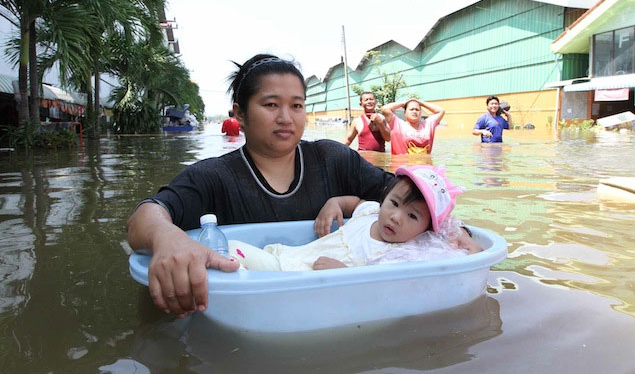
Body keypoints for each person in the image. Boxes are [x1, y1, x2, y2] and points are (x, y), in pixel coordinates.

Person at [126, 54, 394, 317]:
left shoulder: (334, 160)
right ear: (240, 114)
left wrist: (346, 202)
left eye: (296, 106)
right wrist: (167, 237)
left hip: (338, 311)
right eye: (271, 105)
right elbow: (144, 217)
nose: (286, 118)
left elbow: (408, 197)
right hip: (251, 318)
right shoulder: (214, 176)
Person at [228, 165, 482, 271]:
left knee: (231, 251)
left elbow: (376, 290)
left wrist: (345, 273)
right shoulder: (371, 212)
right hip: (287, 257)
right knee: (228, 255)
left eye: (413, 216)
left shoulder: (400, 255)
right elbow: (354, 202)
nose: (395, 217)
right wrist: (333, 203)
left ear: (426, 229)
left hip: (297, 277)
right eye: (393, 203)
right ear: (385, 197)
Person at [381, 98, 445, 154]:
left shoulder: (428, 125)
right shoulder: (397, 123)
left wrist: (421, 103)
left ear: (420, 113)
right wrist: (404, 103)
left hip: (424, 167)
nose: (414, 112)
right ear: (405, 112)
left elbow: (441, 111)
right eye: (411, 109)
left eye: (417, 110)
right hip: (402, 166)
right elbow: (385, 109)